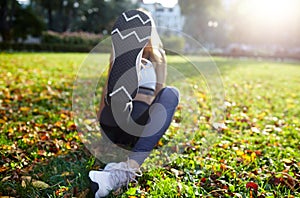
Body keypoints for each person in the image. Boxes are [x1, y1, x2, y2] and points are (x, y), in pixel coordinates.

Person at [89, 9, 180, 197]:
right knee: (117, 99)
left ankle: (128, 169)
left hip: (138, 126)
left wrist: (153, 126)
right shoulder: (116, 56)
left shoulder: (159, 59)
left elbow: (159, 95)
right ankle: (123, 97)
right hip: (114, 123)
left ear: (149, 32)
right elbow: (107, 87)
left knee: (171, 93)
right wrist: (101, 125)